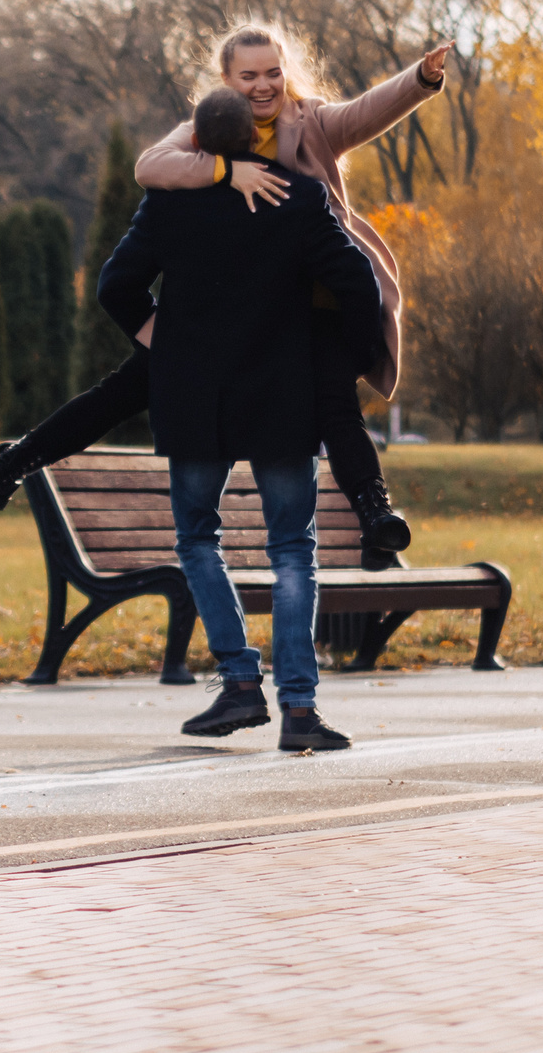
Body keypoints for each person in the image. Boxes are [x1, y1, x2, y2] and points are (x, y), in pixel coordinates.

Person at [0, 22, 447, 566]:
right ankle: (5, 471)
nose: (264, 86)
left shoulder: (313, 122)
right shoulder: (205, 133)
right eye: (249, 75)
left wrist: (421, 78)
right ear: (225, 80)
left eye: (273, 73)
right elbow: (148, 167)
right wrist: (226, 171)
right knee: (120, 391)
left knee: (335, 404)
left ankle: (376, 518)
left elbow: (368, 110)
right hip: (224, 319)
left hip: (309, 306)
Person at [95, 86, 387, 751]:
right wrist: (349, 355)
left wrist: (160, 341)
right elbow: (356, 281)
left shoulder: (168, 204)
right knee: (293, 550)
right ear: (254, 138)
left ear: (195, 143)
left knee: (197, 538)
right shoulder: (299, 197)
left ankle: (238, 680)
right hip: (282, 393)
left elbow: (117, 285)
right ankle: (301, 710)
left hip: (195, 394)